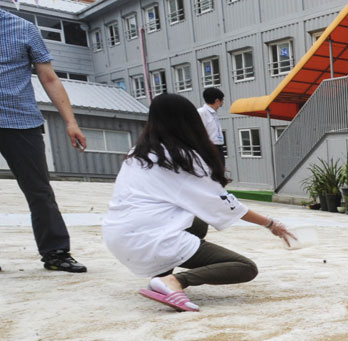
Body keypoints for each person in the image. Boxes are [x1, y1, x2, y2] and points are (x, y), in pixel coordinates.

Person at [102, 93, 294, 312]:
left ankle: (161, 276)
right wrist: (270, 224)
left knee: (198, 223)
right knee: (245, 267)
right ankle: (173, 282)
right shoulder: (183, 159)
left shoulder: (137, 154)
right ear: (190, 122)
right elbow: (225, 204)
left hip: (117, 237)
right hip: (152, 241)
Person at [0, 8, 88, 273]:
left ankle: (56, 252)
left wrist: (70, 122)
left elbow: (48, 77)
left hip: (20, 121)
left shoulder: (23, 28)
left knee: (39, 191)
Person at [197, 87, 225, 159]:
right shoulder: (201, 112)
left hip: (218, 146)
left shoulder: (214, 113)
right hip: (209, 148)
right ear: (217, 101)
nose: (223, 102)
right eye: (222, 100)